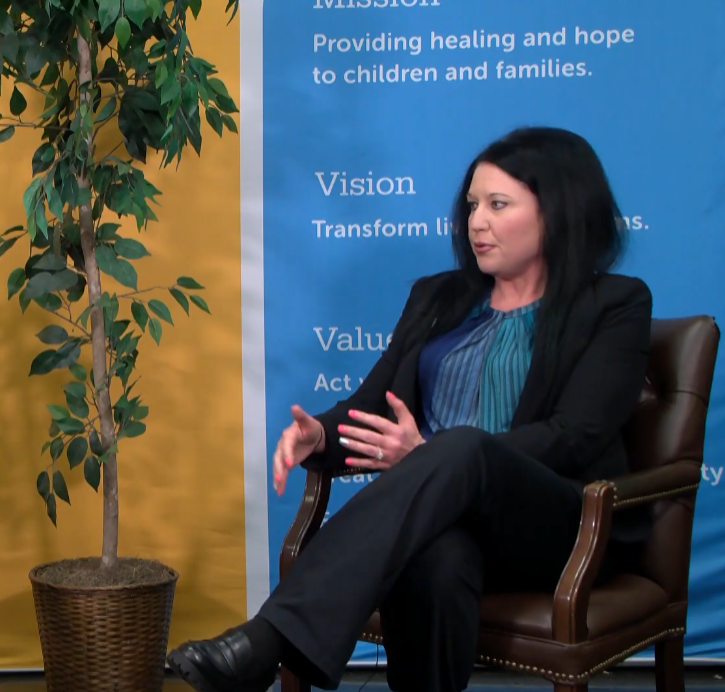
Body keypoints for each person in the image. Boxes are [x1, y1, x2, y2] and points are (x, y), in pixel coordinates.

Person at [167, 126, 653, 692]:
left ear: (560, 210)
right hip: (446, 522)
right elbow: (372, 405)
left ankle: (269, 639)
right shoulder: (439, 297)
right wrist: (321, 437)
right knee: (438, 560)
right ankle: (274, 643)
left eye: (498, 204)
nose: (476, 222)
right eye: (472, 205)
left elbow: (577, 434)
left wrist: (436, 454)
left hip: (557, 528)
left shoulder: (614, 304)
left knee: (463, 447)